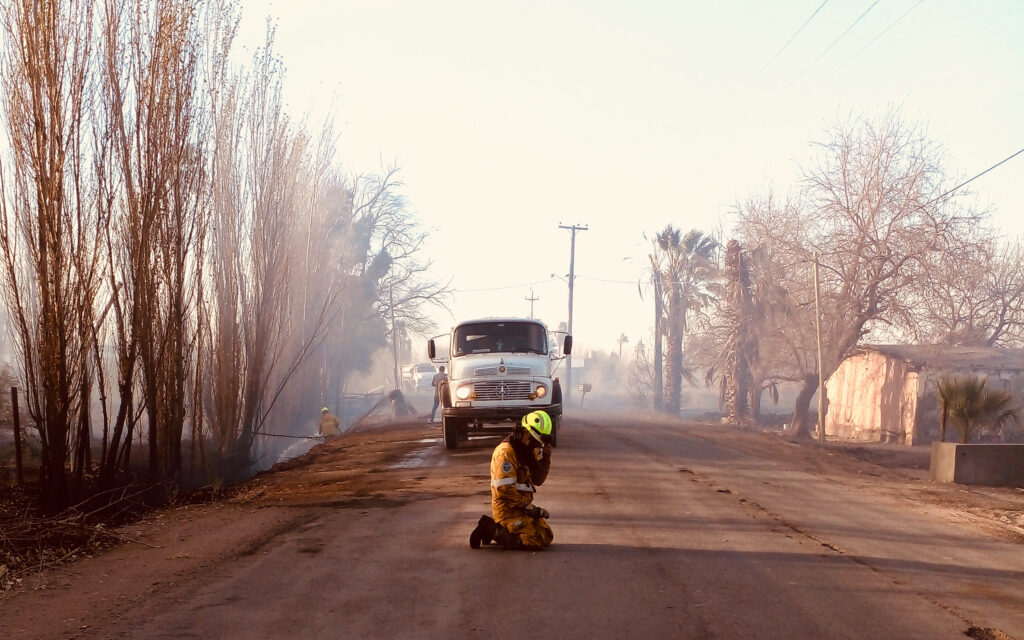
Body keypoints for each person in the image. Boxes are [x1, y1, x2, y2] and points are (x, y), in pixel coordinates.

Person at [469, 410, 554, 550]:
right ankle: (490, 529)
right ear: (524, 431)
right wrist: (530, 508)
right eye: (533, 441)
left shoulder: (528, 450)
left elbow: (538, 480)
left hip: (521, 510)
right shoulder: (505, 453)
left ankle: (500, 532)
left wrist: (546, 460)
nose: (536, 446)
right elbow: (504, 490)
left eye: (538, 444)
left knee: (546, 534)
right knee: (534, 540)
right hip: (507, 512)